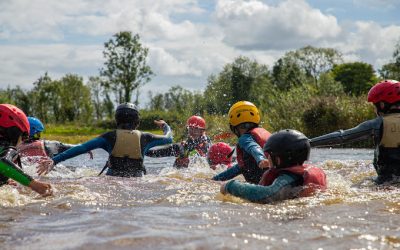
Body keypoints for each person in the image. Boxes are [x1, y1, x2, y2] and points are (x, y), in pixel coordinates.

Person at [37, 103, 173, 177]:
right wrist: (165, 126)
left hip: (111, 179)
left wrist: (54, 161)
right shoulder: (146, 137)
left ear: (116, 120)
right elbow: (169, 138)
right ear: (137, 122)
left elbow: (81, 148)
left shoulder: (108, 137)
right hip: (137, 180)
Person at [310, 79, 400, 184]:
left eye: (375, 106)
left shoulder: (377, 124)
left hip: (386, 183)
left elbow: (342, 137)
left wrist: (308, 142)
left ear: (382, 105)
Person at [220, 129, 327, 203]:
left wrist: (231, 186)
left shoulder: (288, 178)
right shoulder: (300, 171)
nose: (267, 158)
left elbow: (268, 194)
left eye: (269, 155)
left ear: (278, 159)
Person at [212, 101, 271, 184]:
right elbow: (240, 167)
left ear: (234, 128)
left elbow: (253, 147)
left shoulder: (244, 138)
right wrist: (216, 179)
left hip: (264, 183)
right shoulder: (265, 134)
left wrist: (261, 159)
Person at [0, 104, 52, 196]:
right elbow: (2, 162)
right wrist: (34, 184)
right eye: (24, 137)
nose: (23, 141)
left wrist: (5, 181)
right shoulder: (7, 147)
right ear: (15, 133)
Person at [146, 115, 212, 168]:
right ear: (188, 129)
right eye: (191, 128)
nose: (193, 131)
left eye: (196, 129)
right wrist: (143, 150)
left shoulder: (208, 146)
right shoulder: (181, 146)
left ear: (202, 131)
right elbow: (155, 153)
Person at [18, 116, 93, 160]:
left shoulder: (16, 147)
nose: (39, 135)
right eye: (38, 133)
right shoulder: (46, 144)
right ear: (35, 132)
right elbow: (66, 147)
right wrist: (85, 148)